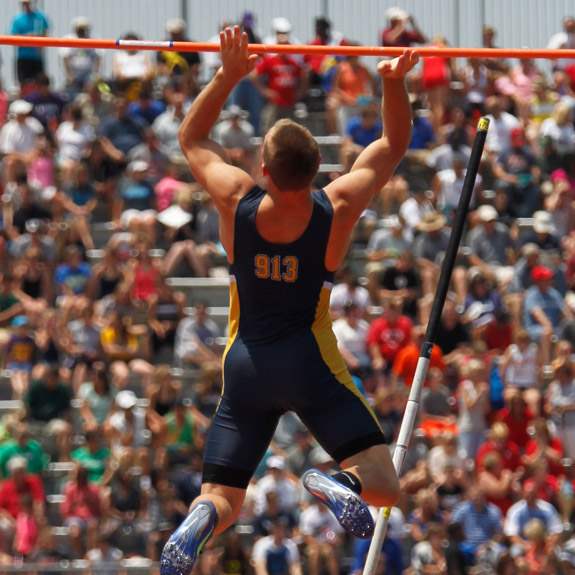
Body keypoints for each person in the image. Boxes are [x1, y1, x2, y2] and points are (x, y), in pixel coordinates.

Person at [160, 26, 417, 574]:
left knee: (224, 494)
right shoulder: (337, 207)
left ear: (264, 169)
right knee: (383, 483)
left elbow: (192, 139)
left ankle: (202, 514)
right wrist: (392, 83)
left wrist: (229, 75)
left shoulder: (235, 199)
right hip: (308, 362)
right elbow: (393, 146)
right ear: (314, 167)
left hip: (245, 365)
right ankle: (342, 480)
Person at [9, 0, 50, 87]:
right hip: (23, 57)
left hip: (37, 57)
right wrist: (28, 37)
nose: (26, 5)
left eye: (28, 3)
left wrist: (36, 37)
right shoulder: (18, 19)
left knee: (39, 84)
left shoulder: (40, 17)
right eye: (24, 3)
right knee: (23, 84)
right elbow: (14, 37)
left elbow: (45, 34)